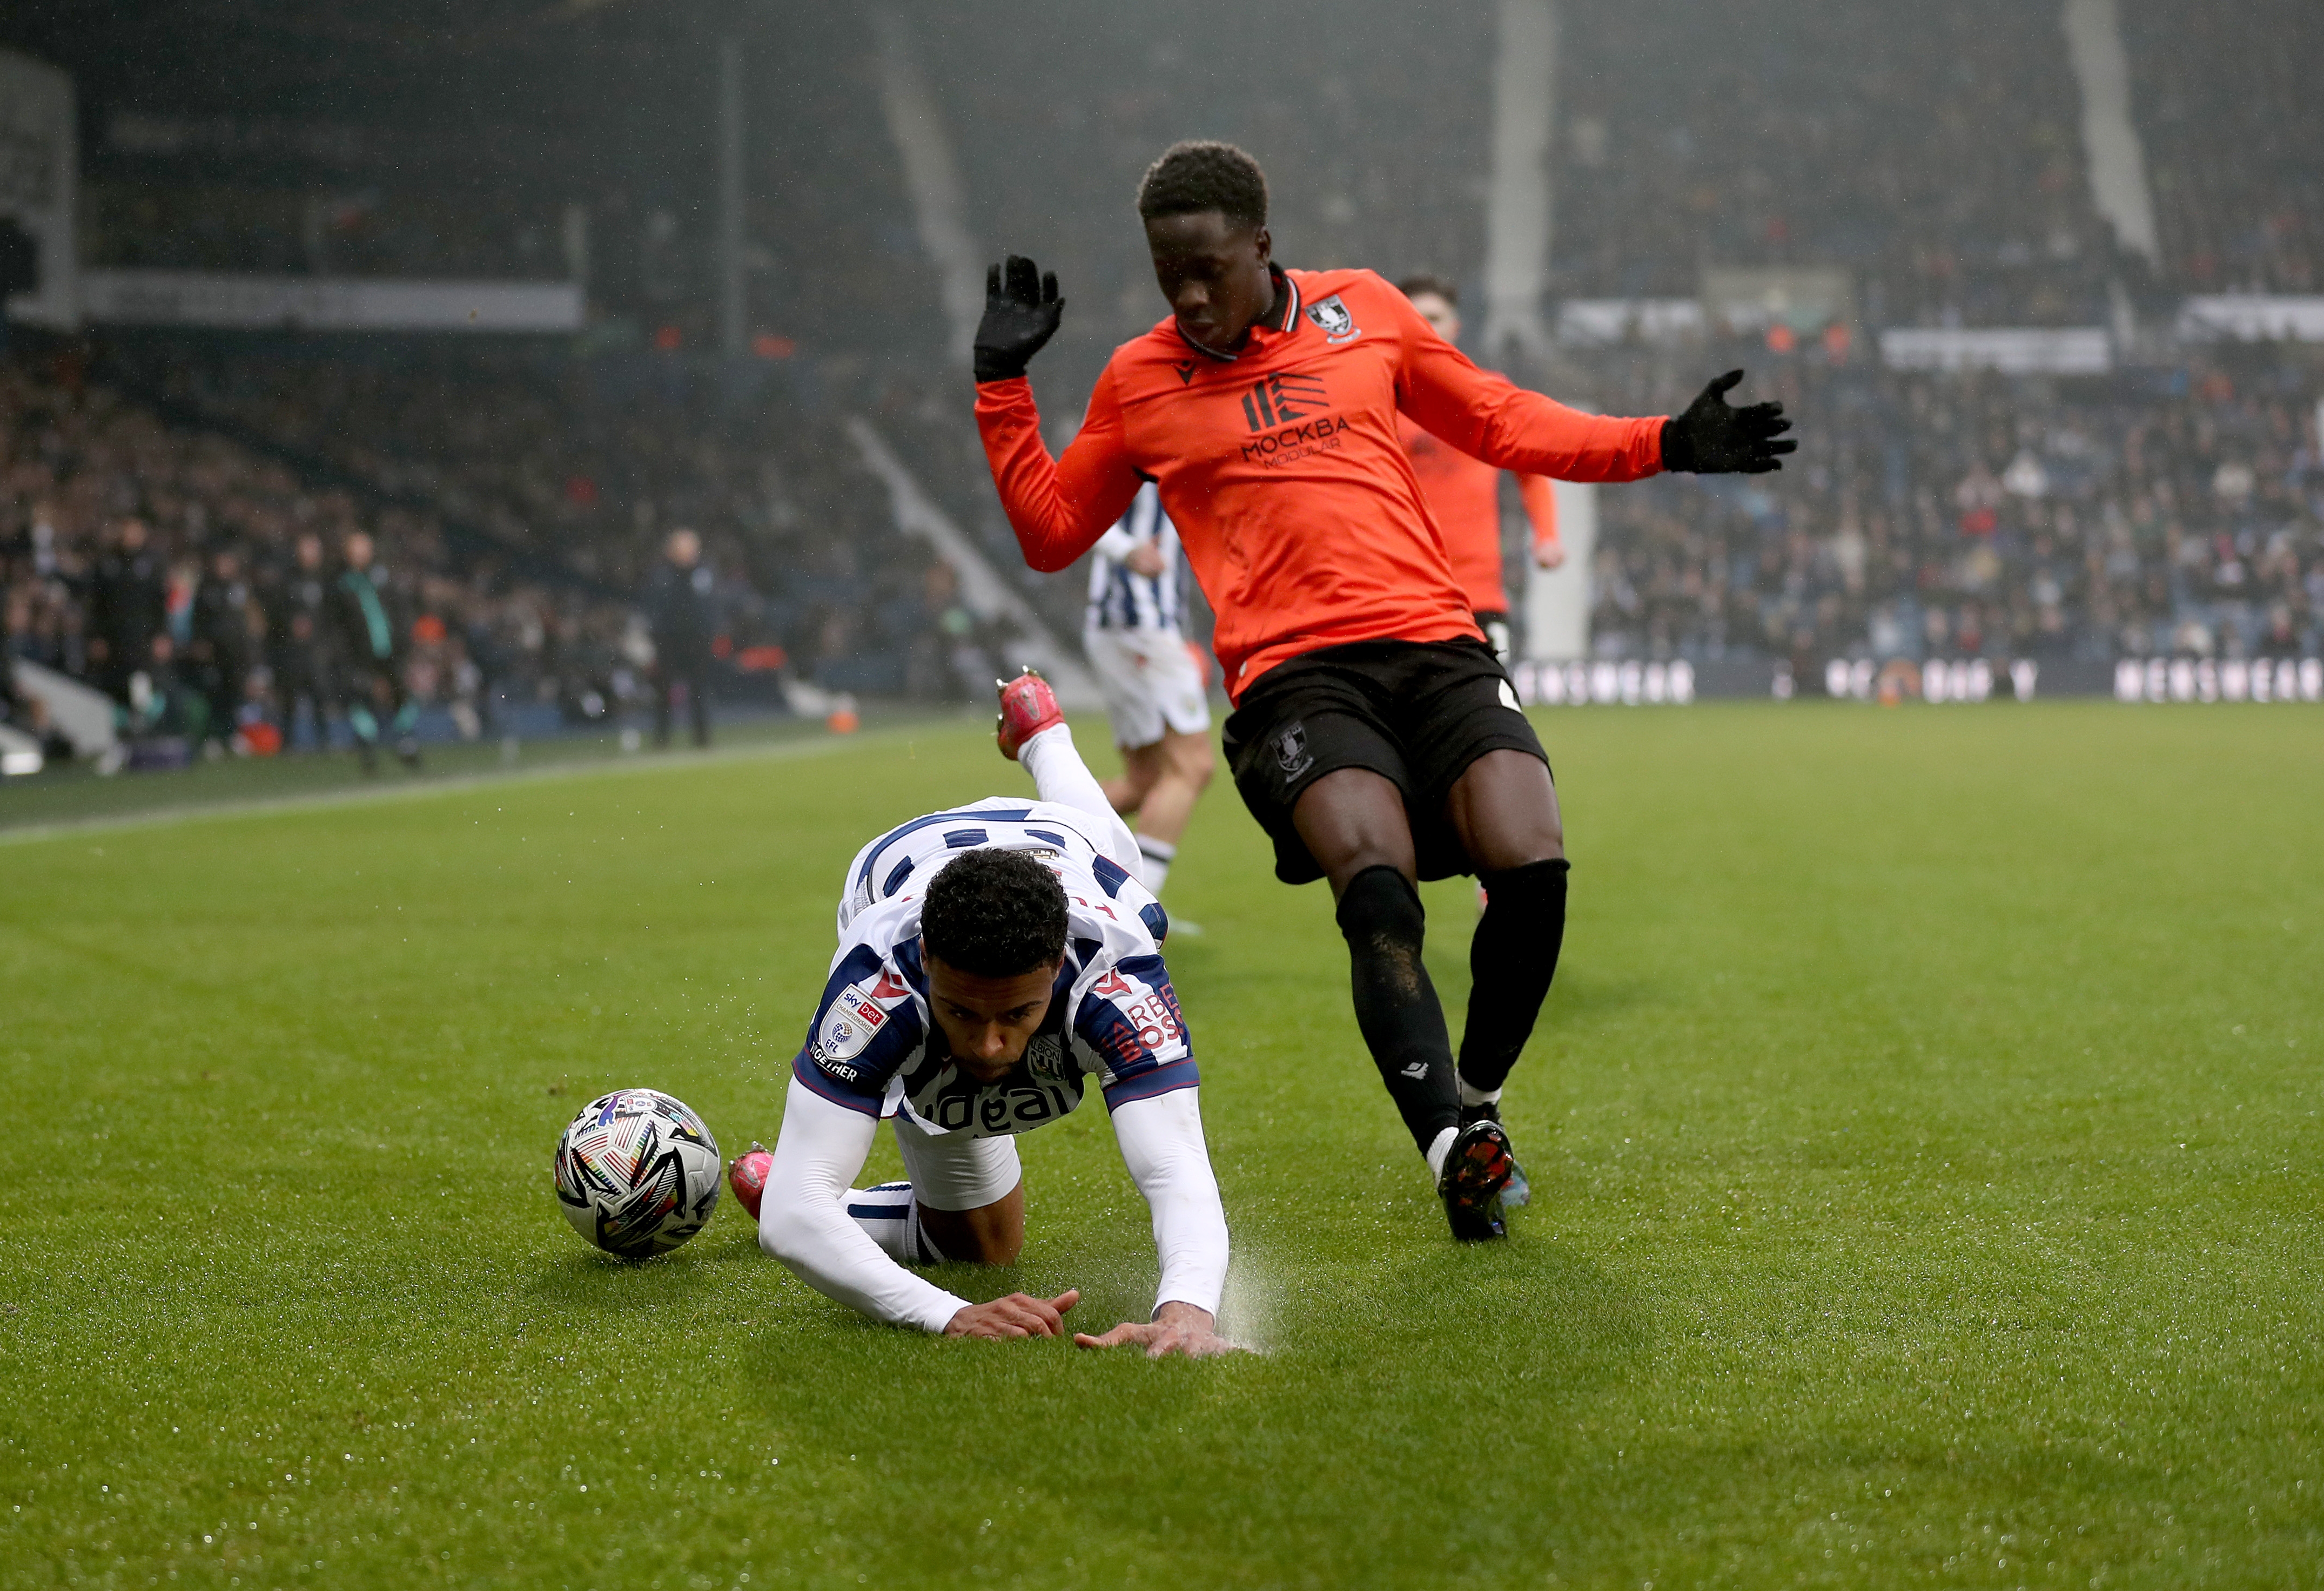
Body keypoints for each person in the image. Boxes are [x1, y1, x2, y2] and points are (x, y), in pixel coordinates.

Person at [968, 140, 1794, 1241]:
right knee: (1376, 889)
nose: (1192, 295)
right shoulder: (1139, 379)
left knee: (1533, 864)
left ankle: (1478, 1098)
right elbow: (1049, 533)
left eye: (1210, 267)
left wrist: (1663, 444)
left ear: (1263, 246)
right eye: (1170, 275)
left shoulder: (1366, 311)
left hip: (1436, 646)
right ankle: (1451, 1147)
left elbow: (1501, 420)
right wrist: (1001, 387)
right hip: (1292, 680)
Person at [741, 672, 1237, 1356]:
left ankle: (1043, 734)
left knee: (1110, 844)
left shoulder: (1116, 978)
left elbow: (1175, 1166)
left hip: (1070, 846)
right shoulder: (880, 982)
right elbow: (789, 1223)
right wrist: (948, 1313)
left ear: (1059, 972)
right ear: (928, 968)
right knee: (983, 1250)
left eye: (1019, 1012)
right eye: (961, 1012)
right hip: (899, 863)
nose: (992, 1045)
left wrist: (1188, 1313)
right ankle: (797, 1171)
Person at [1396, 274, 1562, 665]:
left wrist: (1547, 534)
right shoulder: (1373, 399)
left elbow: (1531, 468)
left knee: (1492, 722)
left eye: (1434, 317)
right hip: (1398, 599)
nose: (1425, 326)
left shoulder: (1488, 392)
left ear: (1455, 327)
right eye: (1414, 317)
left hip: (1477, 595)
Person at [1081, 481, 1215, 903]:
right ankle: (1136, 910)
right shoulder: (1141, 431)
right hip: (1137, 622)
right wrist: (1125, 550)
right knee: (1192, 766)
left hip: (1136, 625)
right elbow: (1067, 505)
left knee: (1145, 781)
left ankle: (1028, 847)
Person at [327, 530, 420, 772]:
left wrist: (403, 641)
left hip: (390, 649)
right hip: (359, 654)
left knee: (403, 694)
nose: (360, 554)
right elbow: (338, 625)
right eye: (355, 549)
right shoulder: (341, 584)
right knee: (360, 697)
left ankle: (405, 740)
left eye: (364, 548)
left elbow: (399, 611)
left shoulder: (382, 578)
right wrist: (342, 655)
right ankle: (367, 745)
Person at [643, 527, 723, 749]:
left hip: (698, 640)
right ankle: (662, 739)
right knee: (664, 691)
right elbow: (654, 606)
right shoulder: (661, 575)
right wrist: (656, 635)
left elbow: (712, 604)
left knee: (699, 690)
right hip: (668, 640)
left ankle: (702, 739)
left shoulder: (705, 572)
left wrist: (712, 631)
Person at [85, 517, 166, 712]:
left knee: (141, 683)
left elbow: (159, 603)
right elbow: (97, 604)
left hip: (141, 639)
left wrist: (162, 634)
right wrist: (96, 636)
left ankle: (141, 726)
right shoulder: (107, 563)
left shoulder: (153, 564)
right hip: (113, 638)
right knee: (112, 685)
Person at [266, 532, 335, 751]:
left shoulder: (326, 579)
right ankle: (287, 744)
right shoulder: (288, 579)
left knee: (319, 696)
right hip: (292, 650)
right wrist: (290, 625)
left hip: (316, 649)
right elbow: (276, 612)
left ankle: (324, 742)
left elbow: (332, 614)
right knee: (290, 698)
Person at [189, 544, 256, 753]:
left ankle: (231, 736)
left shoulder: (240, 587)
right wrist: (200, 643)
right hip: (213, 652)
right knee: (214, 695)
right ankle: (214, 738)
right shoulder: (206, 588)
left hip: (236, 653)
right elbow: (197, 619)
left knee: (234, 695)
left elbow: (249, 620)